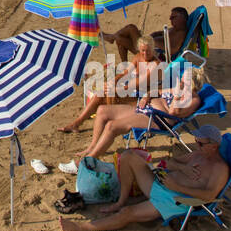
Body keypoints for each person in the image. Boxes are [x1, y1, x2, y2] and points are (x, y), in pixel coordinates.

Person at [59, 126, 231, 231]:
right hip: (161, 184)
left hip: (173, 200)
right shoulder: (197, 155)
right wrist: (182, 168)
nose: (196, 145)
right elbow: (170, 162)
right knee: (128, 156)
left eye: (200, 143)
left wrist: (176, 186)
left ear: (214, 146)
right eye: (196, 141)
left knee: (127, 214)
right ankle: (121, 201)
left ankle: (80, 227)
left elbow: (209, 196)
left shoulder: (220, 169)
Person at [57, 65, 204, 169]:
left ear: (193, 85)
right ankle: (91, 147)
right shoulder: (178, 90)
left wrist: (176, 95)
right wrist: (147, 96)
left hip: (157, 119)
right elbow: (158, 91)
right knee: (102, 110)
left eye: (184, 81)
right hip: (146, 109)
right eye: (181, 80)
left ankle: (87, 161)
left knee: (112, 126)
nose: (180, 82)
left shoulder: (193, 100)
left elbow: (173, 112)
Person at [61, 38, 160, 133]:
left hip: (144, 98)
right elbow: (125, 73)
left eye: (148, 51)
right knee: (101, 93)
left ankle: (107, 120)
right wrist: (113, 81)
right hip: (131, 91)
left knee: (110, 93)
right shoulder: (138, 57)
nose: (145, 54)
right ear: (139, 49)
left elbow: (139, 83)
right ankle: (76, 123)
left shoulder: (155, 64)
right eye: (143, 50)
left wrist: (117, 89)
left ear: (153, 49)